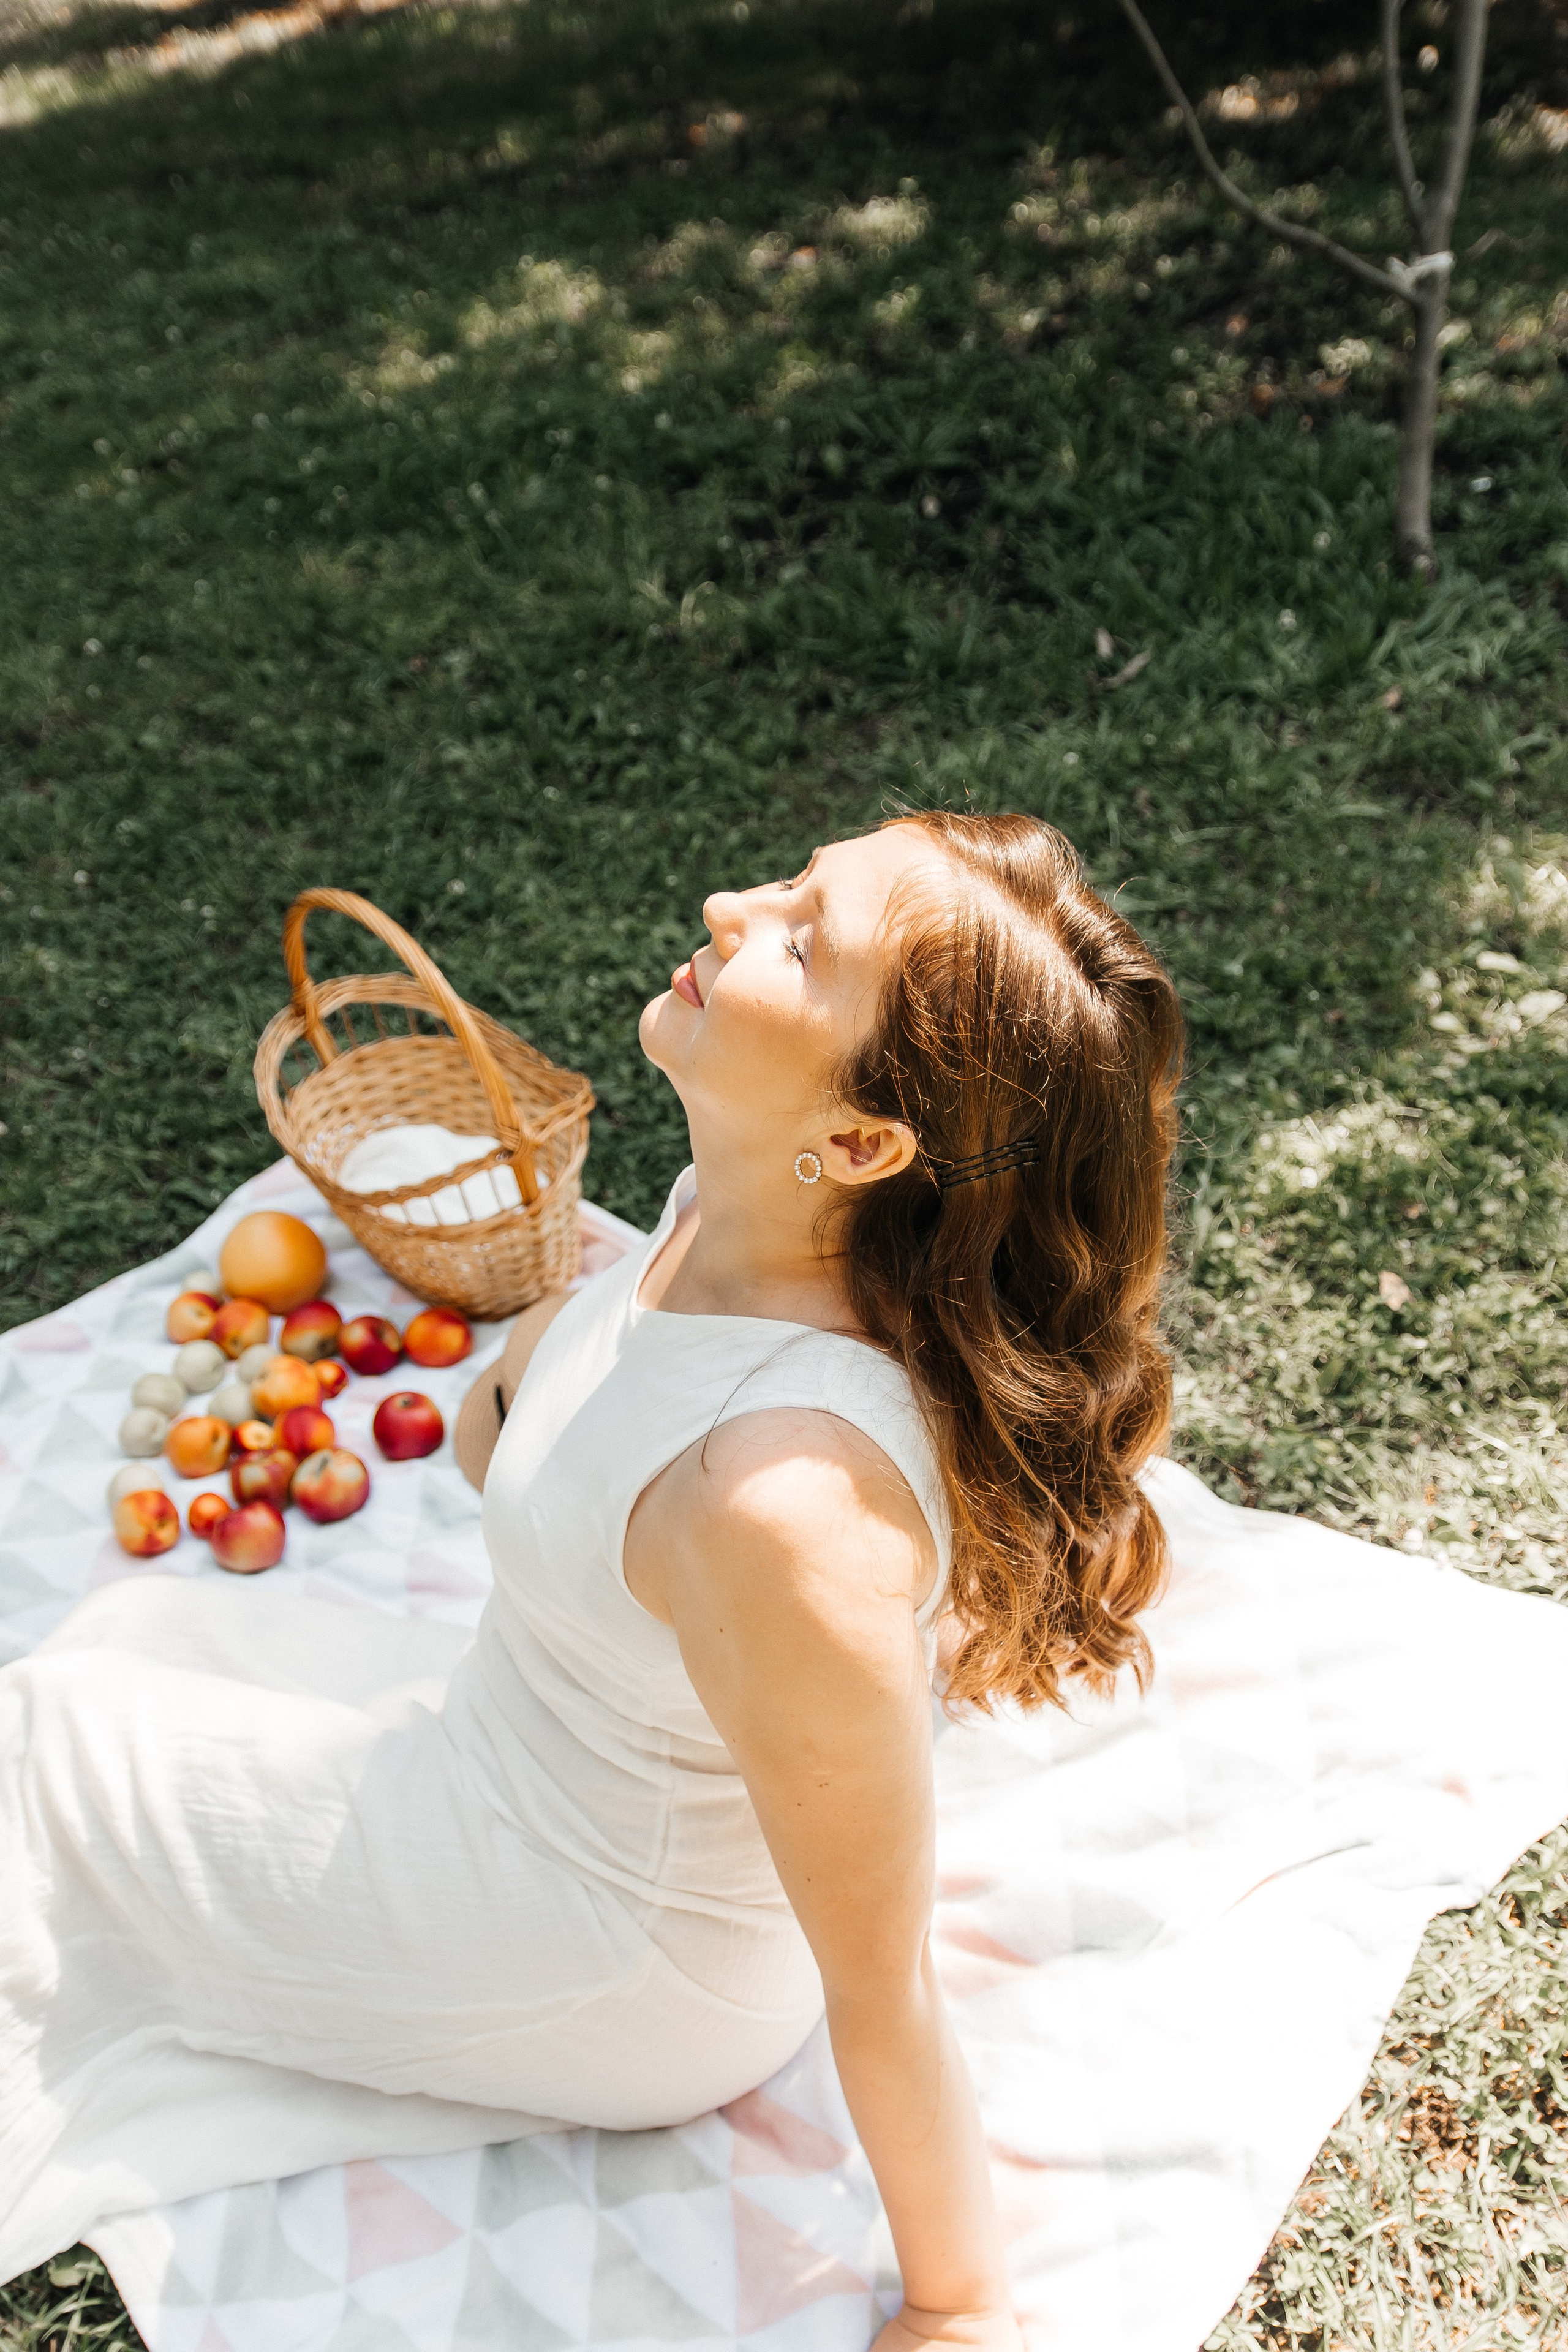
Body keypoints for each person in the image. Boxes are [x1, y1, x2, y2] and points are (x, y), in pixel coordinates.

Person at [1, 812, 1181, 2351]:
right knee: (125, 1639)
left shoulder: (785, 1508)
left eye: (800, 941)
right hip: (503, 1739)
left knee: (46, 1756)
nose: (729, 903)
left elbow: (880, 1981)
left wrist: (958, 2308)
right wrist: (529, 1380)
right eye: (789, 883)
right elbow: (541, 1434)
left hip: (606, 1950)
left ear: (861, 1145)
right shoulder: (728, 1206)